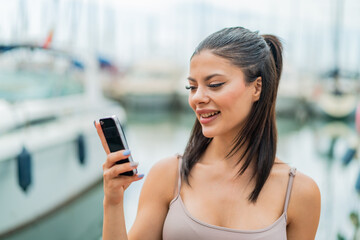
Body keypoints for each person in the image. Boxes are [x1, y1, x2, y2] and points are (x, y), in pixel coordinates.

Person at [95, 26, 321, 240]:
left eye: (214, 84)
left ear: (257, 87)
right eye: (192, 87)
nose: (197, 98)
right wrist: (113, 202)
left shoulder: (300, 193)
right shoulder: (169, 176)